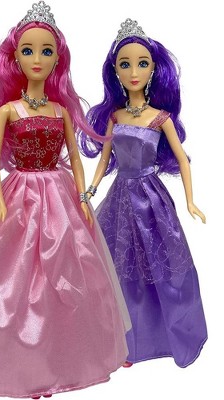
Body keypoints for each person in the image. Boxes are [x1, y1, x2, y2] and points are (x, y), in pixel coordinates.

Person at [0, 2, 130, 398]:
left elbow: (75, 159)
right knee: (16, 277)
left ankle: (60, 361)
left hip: (60, 196)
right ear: (14, 58)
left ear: (57, 60)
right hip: (20, 193)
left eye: (46, 51)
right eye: (28, 50)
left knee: (66, 273)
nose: (37, 59)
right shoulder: (7, 111)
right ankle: (22, 366)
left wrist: (83, 197)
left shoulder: (61, 110)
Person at [79, 18, 207, 368]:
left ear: (153, 70)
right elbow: (105, 159)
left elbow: (182, 159)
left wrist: (190, 201)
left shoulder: (160, 118)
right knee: (119, 267)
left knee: (159, 263)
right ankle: (124, 342)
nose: (134, 72)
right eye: (125, 64)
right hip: (120, 197)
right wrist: (90, 189)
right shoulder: (115, 116)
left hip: (151, 199)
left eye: (142, 63)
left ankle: (164, 335)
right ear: (115, 71)